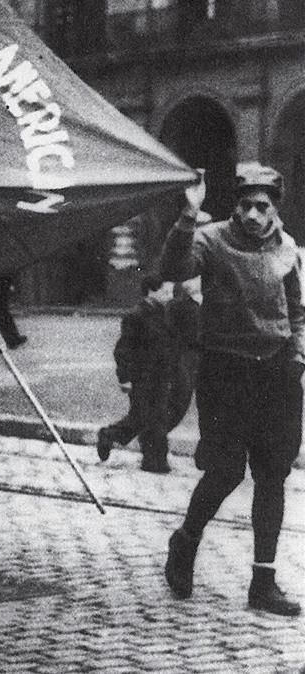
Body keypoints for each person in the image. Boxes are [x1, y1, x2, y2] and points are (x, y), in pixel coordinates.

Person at [161, 164, 303, 616]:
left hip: (277, 373)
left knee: (272, 476)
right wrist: (189, 216)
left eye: (263, 206)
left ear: (275, 207)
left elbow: (298, 312)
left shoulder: (288, 248)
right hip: (226, 371)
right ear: (235, 205)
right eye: (245, 204)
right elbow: (172, 268)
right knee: (225, 472)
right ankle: (185, 542)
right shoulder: (212, 238)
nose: (253, 215)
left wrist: (298, 355)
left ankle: (263, 581)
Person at [96, 275, 181, 473]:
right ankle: (155, 462)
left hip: (160, 376)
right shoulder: (136, 316)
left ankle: (111, 436)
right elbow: (123, 350)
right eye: (166, 291)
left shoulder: (164, 314)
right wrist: (124, 378)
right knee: (149, 418)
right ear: (152, 291)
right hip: (141, 377)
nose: (170, 296)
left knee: (147, 417)